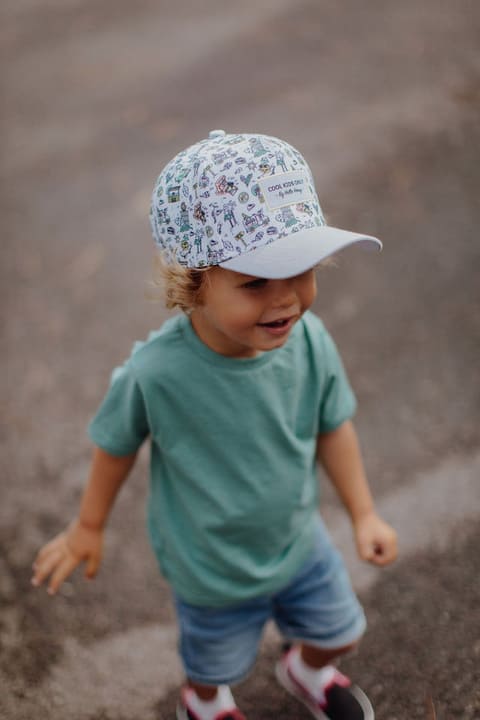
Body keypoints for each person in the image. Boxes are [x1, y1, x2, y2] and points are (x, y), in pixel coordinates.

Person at [32, 130, 398, 720]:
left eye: (301, 268)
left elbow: (334, 425)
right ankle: (203, 704)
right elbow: (114, 445)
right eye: (254, 281)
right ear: (192, 282)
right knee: (214, 666)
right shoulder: (156, 372)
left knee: (341, 631)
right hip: (210, 568)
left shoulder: (311, 341)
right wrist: (87, 527)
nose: (284, 301)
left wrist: (363, 513)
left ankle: (305, 668)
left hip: (297, 542)